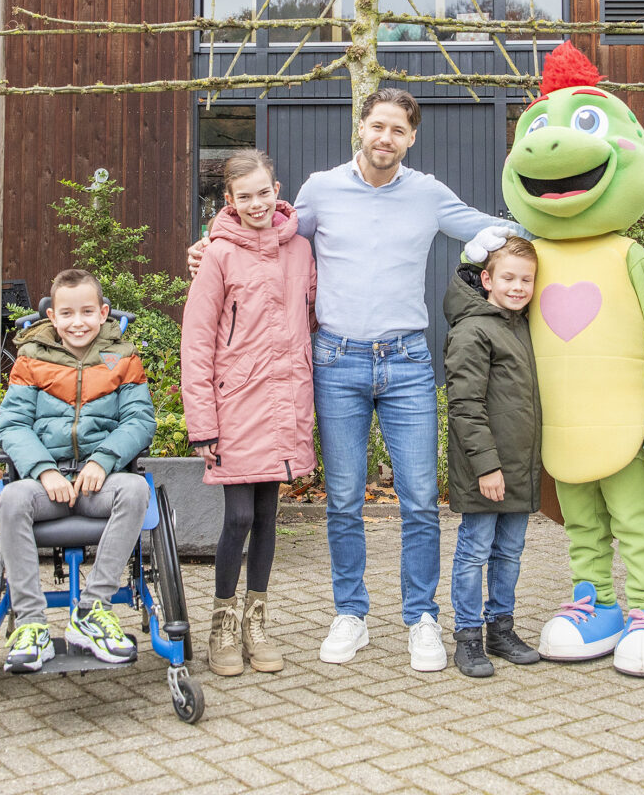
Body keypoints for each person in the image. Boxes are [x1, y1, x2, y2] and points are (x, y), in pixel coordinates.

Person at [188, 88, 509, 673]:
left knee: (419, 500)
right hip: (337, 361)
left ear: (411, 138)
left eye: (398, 130)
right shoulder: (321, 189)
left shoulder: (428, 194)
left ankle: (421, 618)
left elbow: (492, 228)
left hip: (407, 362)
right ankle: (350, 614)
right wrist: (212, 244)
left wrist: (568, 226)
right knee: (342, 501)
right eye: (377, 125)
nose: (386, 138)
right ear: (360, 126)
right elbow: (270, 233)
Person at [180, 150, 317, 677]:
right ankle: (222, 623)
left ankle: (256, 622)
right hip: (234, 402)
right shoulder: (217, 254)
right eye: (245, 196)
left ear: (276, 190)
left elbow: (311, 314)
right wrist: (202, 422)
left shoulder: (300, 248)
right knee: (237, 517)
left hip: (284, 399)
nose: (256, 204)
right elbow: (197, 341)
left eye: (263, 193)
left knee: (266, 517)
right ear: (229, 200)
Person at [0, 268, 158, 671]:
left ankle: (92, 610)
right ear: (52, 317)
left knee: (136, 490)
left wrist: (103, 460)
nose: (77, 322)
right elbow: (12, 426)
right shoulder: (31, 359)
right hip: (45, 486)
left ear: (103, 313)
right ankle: (31, 624)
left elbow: (140, 420)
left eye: (87, 312)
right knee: (11, 498)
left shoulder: (123, 358)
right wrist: (44, 470)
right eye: (67, 314)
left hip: (98, 484)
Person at [441, 237, 544, 678]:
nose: (518, 287)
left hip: (519, 464)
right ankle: (468, 635)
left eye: (527, 280)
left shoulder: (521, 325)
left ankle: (501, 627)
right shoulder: (473, 330)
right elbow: (465, 405)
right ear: (486, 279)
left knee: (510, 552)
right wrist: (487, 466)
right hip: (486, 468)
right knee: (475, 551)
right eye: (509, 278)